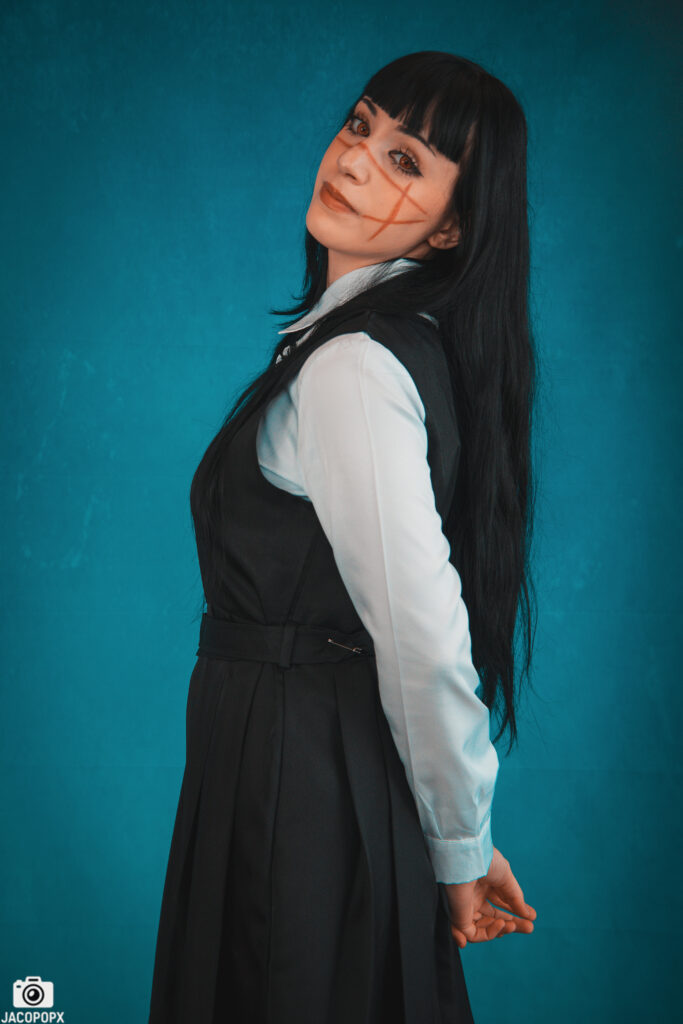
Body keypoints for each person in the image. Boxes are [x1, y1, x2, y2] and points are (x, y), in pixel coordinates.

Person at [148, 50, 538, 1024]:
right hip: (305, 765)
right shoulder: (362, 349)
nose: (356, 158)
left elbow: (421, 633)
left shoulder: (352, 369)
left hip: (295, 781)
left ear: (451, 227)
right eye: (360, 125)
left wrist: (460, 846)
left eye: (406, 160)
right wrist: (457, 840)